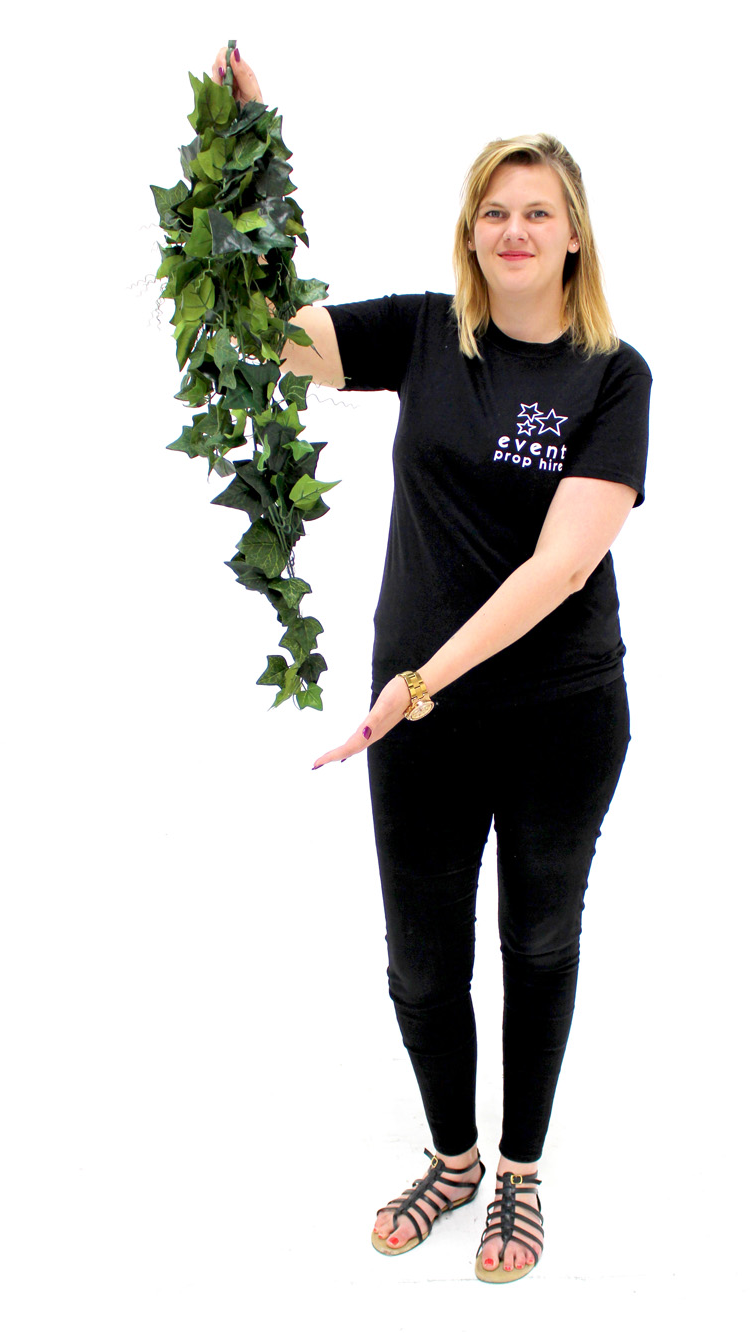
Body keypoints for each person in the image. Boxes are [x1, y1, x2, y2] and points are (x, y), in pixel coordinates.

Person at [211, 46, 651, 1284]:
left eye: (537, 212)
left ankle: (519, 1173)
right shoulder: (421, 334)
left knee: (537, 941)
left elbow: (560, 565)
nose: (513, 229)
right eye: (493, 210)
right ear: (471, 231)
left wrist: (418, 680)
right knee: (419, 960)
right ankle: (453, 1159)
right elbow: (262, 332)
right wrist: (251, 159)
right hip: (416, 721)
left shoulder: (613, 376)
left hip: (557, 712)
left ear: (573, 236)